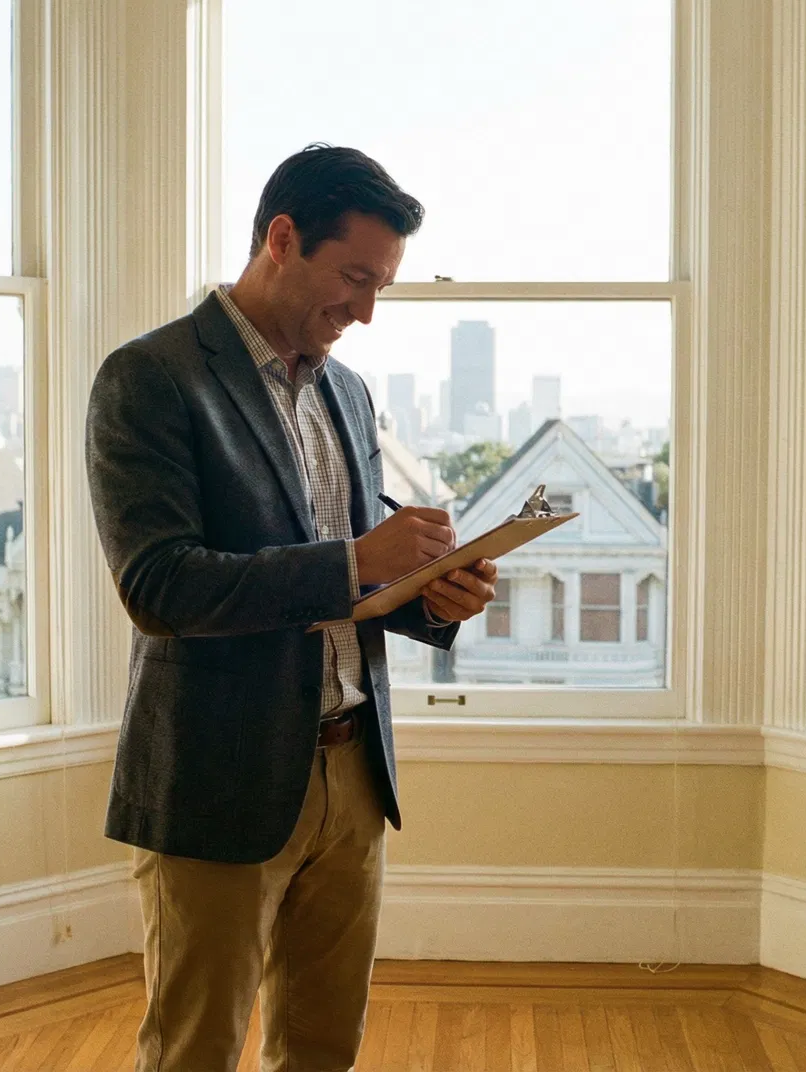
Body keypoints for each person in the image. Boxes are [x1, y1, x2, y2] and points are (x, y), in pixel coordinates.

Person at [86, 144, 500, 1072]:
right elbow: (159, 586)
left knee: (323, 1049)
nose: (366, 310)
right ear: (282, 239)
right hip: (218, 779)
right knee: (194, 1051)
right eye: (355, 277)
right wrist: (356, 559)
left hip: (355, 775)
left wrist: (436, 597)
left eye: (381, 285)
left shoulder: (347, 392)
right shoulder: (150, 377)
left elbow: (356, 582)